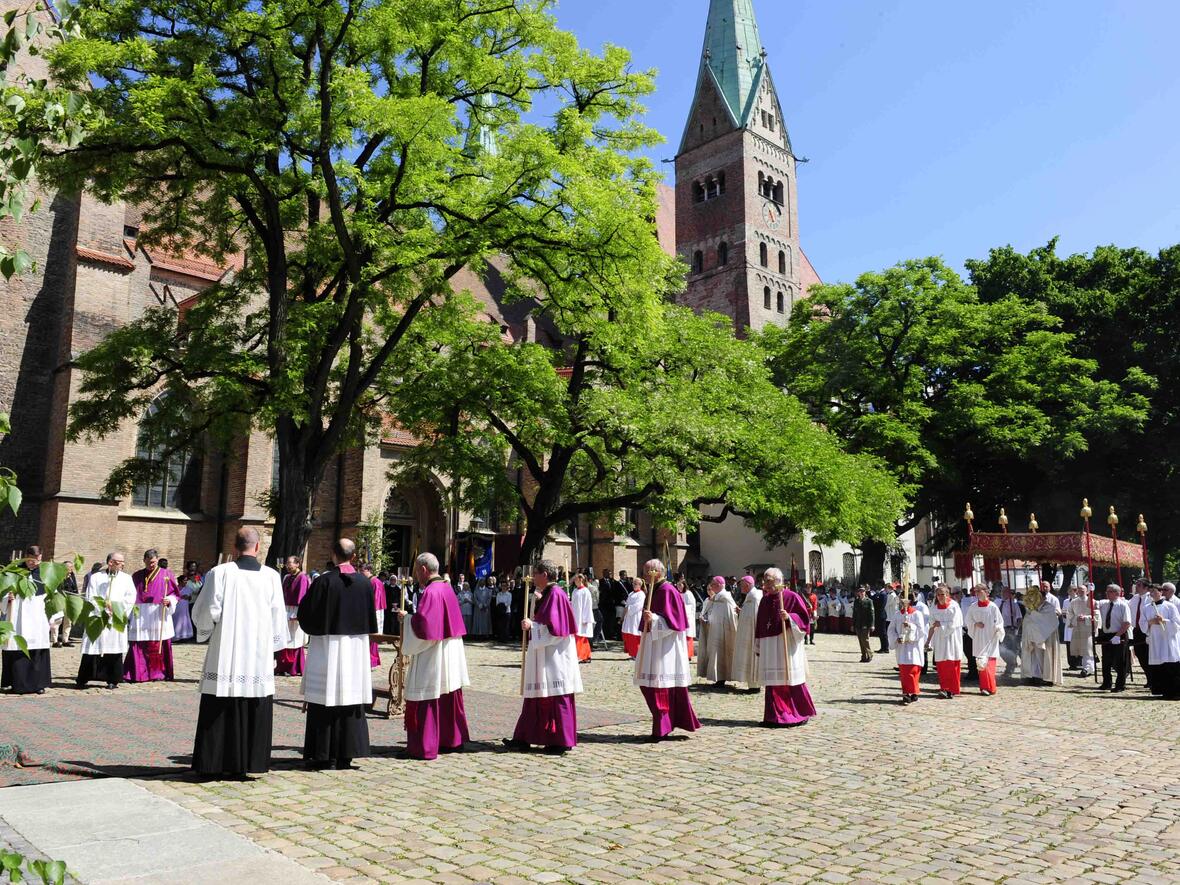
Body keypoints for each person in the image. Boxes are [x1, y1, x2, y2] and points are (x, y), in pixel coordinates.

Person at [190, 527, 288, 778]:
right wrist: (275, 648)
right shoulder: (271, 576)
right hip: (258, 654)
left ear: (234, 547)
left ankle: (213, 763)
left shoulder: (220, 572)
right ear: (258, 547)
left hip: (226, 651)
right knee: (253, 699)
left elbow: (207, 611)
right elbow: (278, 616)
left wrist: (205, 631)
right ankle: (249, 763)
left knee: (220, 700)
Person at [298, 540, 378, 770]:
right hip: (356, 648)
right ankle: (347, 754)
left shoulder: (323, 581)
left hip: (328, 647)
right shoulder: (365, 583)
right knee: (350, 699)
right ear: (353, 557)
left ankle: (324, 754)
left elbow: (306, 614)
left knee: (326, 697)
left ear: (333, 554)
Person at [395, 552, 471, 760]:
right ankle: (450, 740)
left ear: (423, 570)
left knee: (427, 695)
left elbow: (425, 628)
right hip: (451, 649)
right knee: (447, 695)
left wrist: (407, 619)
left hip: (434, 652)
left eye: (416, 572)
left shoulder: (430, 592)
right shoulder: (447, 588)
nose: (415, 577)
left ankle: (424, 746)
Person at [505, 560, 582, 755]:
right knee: (536, 697)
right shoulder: (548, 593)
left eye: (536, 573)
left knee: (555, 697)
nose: (533, 578)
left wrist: (533, 626)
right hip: (545, 654)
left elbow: (556, 631)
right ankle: (524, 737)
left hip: (555, 656)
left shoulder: (555, 594)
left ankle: (560, 740)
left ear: (545, 575)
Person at [634, 559, 700, 742]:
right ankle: (662, 724)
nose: (645, 574)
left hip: (666, 648)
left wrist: (653, 619)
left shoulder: (668, 590)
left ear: (657, 572)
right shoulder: (653, 589)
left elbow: (675, 623)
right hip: (653, 643)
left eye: (647, 571)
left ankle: (662, 727)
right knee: (649, 685)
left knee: (660, 687)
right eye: (644, 571)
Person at [755, 568, 816, 727]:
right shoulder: (765, 600)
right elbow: (760, 624)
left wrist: (789, 617)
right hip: (770, 646)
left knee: (789, 679)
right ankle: (773, 716)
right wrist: (758, 644)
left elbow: (804, 620)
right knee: (773, 681)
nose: (765, 585)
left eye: (768, 581)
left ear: (778, 581)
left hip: (786, 644)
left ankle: (796, 714)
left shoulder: (791, 597)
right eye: (765, 581)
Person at [76, 552, 137, 690]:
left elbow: (131, 597)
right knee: (93, 647)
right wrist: (102, 608)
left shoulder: (127, 579)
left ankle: (112, 679)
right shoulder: (97, 577)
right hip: (98, 617)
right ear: (110, 562)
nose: (123, 564)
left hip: (116, 618)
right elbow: (90, 596)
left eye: (123, 562)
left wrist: (117, 609)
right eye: (119, 561)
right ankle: (84, 678)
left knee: (113, 648)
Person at [1, 546, 54, 695]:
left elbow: (52, 596)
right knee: (16, 648)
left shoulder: (46, 572)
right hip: (18, 616)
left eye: (37, 560)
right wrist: (7, 598)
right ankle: (17, 684)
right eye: (31, 559)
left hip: (37, 617)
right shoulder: (14, 571)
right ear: (26, 557)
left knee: (36, 650)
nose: (34, 563)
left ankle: (38, 684)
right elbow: (3, 590)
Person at [124, 549, 179, 683]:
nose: (151, 565)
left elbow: (175, 594)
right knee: (139, 642)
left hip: (158, 612)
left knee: (157, 643)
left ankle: (158, 673)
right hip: (141, 613)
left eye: (154, 562)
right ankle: (136, 674)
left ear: (157, 560)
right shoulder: (136, 576)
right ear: (144, 561)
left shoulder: (166, 574)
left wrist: (169, 600)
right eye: (149, 562)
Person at [697, 576, 738, 687]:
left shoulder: (725, 597)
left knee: (722, 654)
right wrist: (705, 619)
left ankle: (721, 678)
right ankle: (718, 678)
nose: (711, 587)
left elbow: (732, 614)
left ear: (720, 585)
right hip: (714, 630)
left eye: (713, 584)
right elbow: (710, 612)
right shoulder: (715, 598)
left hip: (724, 632)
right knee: (715, 653)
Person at [963, 584, 1004, 696]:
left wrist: (998, 628)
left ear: (986, 592)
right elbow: (968, 620)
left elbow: (1000, 622)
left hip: (990, 638)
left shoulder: (993, 607)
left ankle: (991, 687)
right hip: (979, 638)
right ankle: (984, 687)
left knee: (989, 664)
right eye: (976, 592)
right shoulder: (973, 607)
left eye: (980, 591)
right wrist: (975, 624)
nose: (977, 594)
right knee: (981, 663)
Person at [1021, 581, 1063, 687]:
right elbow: (1027, 620)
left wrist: (1034, 615)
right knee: (1034, 656)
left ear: (1043, 598)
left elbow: (1047, 620)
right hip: (1033, 637)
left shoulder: (1049, 607)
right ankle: (1034, 676)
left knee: (1046, 657)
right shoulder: (1032, 608)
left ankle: (1047, 677)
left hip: (1047, 637)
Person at [888, 593, 926, 705]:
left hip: (913, 646)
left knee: (913, 669)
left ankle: (913, 691)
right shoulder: (897, 615)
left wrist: (910, 627)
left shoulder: (917, 614)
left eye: (906, 599)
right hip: (902, 646)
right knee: (905, 671)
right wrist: (896, 638)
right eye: (902, 599)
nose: (903, 601)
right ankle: (907, 693)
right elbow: (891, 630)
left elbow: (921, 631)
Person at [926, 584, 963, 698]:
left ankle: (951, 689)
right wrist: (928, 641)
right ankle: (944, 687)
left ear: (947, 595)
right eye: (938, 595)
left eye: (942, 594)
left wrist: (941, 624)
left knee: (951, 663)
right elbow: (931, 624)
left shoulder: (953, 606)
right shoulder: (934, 607)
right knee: (941, 664)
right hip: (940, 639)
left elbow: (955, 623)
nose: (940, 597)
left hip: (952, 638)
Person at [275, 555, 309, 676]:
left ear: (297, 564)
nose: (288, 566)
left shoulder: (303, 578)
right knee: (285, 637)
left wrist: (297, 614)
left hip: (296, 609)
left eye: (290, 563)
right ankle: (282, 665)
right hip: (285, 608)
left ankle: (293, 667)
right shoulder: (286, 577)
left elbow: (302, 596)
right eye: (287, 563)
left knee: (295, 638)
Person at [1145, 584, 1180, 699]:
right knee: (1159, 666)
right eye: (1150, 592)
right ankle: (1162, 691)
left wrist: (1163, 620)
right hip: (1156, 640)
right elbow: (1142, 623)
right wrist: (1150, 623)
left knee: (1170, 665)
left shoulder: (1170, 606)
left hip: (1168, 640)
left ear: (1160, 592)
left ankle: (1175, 692)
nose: (1152, 594)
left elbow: (1177, 623)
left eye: (1154, 592)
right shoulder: (1147, 607)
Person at [1098, 584, 1132, 693]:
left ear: (1117, 593)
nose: (1107, 593)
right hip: (1107, 634)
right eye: (1107, 591)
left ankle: (1120, 684)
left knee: (1120, 661)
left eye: (1110, 591)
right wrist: (1090, 591)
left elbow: (1127, 623)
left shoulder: (1123, 605)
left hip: (1119, 634)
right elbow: (1091, 605)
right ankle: (1107, 682)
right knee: (1106, 661)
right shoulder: (1104, 605)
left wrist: (1117, 635)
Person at [731, 575, 762, 692]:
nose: (740, 588)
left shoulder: (754, 597)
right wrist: (742, 611)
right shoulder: (750, 596)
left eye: (742, 586)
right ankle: (753, 685)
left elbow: (756, 615)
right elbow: (750, 614)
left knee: (753, 658)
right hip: (748, 633)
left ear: (748, 585)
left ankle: (755, 686)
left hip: (753, 633)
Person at [1066, 584, 1097, 678]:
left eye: (1082, 590)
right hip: (1077, 627)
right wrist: (1076, 618)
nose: (1080, 592)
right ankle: (1086, 667)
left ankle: (1089, 668)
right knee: (1081, 649)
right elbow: (1069, 614)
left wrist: (1086, 618)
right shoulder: (1073, 602)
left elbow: (1097, 615)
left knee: (1088, 648)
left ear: (1087, 591)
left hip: (1088, 629)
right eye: (1079, 590)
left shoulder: (1092, 601)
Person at [1129, 579, 1153, 691]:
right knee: (1139, 654)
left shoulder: (1150, 598)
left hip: (1148, 630)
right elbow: (1126, 606)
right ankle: (1149, 677)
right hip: (1137, 630)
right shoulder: (1135, 598)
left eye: (1139, 585)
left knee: (1149, 655)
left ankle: (1152, 679)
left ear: (1146, 587)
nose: (1136, 587)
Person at [359, 563, 385, 669]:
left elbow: (376, 600)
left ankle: (372, 660)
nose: (360, 573)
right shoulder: (368, 581)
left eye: (362, 571)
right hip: (367, 611)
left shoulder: (375, 582)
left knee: (373, 636)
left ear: (369, 570)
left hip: (375, 611)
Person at [997, 586, 1023, 676]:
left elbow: (1019, 618)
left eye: (1004, 592)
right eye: (1002, 592)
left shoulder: (1014, 604)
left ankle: (1009, 669)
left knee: (1011, 649)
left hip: (1011, 629)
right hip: (1001, 629)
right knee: (1001, 650)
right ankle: (1012, 663)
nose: (1002, 594)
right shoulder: (999, 603)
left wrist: (1017, 629)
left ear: (1009, 593)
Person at [51, 560, 77, 648]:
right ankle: (54, 640)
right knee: (58, 620)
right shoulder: (58, 576)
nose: (70, 569)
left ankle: (65, 639)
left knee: (68, 621)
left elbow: (75, 587)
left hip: (69, 600)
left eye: (71, 567)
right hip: (60, 600)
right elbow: (58, 588)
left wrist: (75, 597)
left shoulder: (72, 576)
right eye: (69, 567)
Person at [571, 574, 595, 663]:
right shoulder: (574, 591)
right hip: (575, 616)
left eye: (576, 579)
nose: (574, 581)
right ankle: (586, 655)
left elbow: (588, 606)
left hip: (582, 618)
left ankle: (581, 655)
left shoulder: (586, 591)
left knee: (581, 637)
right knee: (579, 636)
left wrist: (586, 619)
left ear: (581, 579)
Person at [172, 562, 198, 642]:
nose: (186, 582)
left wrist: (188, 597)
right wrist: (181, 597)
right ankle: (176, 636)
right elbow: (172, 596)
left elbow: (192, 594)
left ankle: (184, 636)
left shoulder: (191, 585)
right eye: (184, 581)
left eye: (186, 581)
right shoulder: (176, 588)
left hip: (186, 606)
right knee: (176, 620)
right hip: (178, 607)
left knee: (185, 620)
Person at [620, 577, 646, 659]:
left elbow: (639, 606)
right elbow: (626, 605)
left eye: (636, 584)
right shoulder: (631, 593)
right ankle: (632, 653)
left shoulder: (641, 594)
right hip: (629, 617)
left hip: (635, 616)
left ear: (640, 585)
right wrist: (623, 616)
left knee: (635, 635)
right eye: (633, 583)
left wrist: (629, 608)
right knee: (629, 634)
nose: (634, 585)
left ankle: (637, 654)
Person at [851, 586, 875, 663]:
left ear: (865, 592)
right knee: (860, 641)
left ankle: (869, 654)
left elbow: (872, 614)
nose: (861, 593)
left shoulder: (869, 601)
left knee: (865, 640)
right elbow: (854, 613)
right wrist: (853, 624)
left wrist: (872, 624)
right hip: (858, 623)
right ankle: (864, 656)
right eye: (860, 591)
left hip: (866, 623)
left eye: (863, 591)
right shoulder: (856, 601)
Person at [678, 578, 697, 661]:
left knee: (688, 636)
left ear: (684, 585)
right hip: (680, 618)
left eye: (680, 585)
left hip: (688, 617)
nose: (679, 587)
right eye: (677, 585)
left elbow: (691, 605)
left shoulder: (688, 593)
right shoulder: (678, 594)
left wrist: (682, 609)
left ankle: (688, 654)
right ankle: (682, 653)